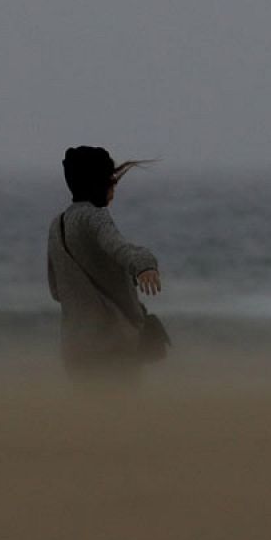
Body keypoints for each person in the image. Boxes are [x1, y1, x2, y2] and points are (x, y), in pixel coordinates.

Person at [47, 146, 162, 379]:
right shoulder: (95, 216)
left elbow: (56, 289)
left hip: (75, 346)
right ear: (98, 182)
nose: (114, 186)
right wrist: (145, 264)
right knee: (120, 412)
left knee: (88, 413)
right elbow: (118, 247)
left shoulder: (57, 224)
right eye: (112, 179)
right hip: (110, 346)